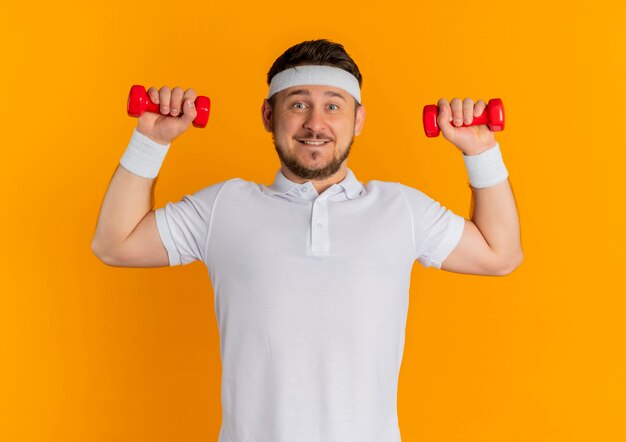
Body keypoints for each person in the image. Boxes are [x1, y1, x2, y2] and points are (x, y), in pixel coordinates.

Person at [91, 39, 523, 442]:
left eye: (332, 106)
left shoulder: (400, 209)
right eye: (298, 104)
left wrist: (481, 150)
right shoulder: (224, 207)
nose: (315, 124)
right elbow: (116, 244)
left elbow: (499, 254)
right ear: (268, 116)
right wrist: (150, 141)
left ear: (358, 120)